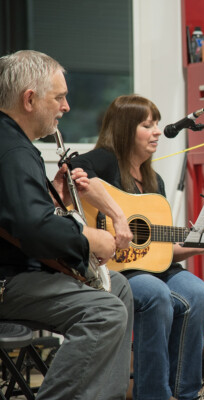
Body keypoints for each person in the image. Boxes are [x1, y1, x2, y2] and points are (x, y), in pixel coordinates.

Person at [0, 50, 134, 399]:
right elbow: (34, 231)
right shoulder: (12, 150)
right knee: (104, 313)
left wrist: (55, 197)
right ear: (29, 99)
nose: (66, 107)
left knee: (117, 287)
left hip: (18, 271)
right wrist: (89, 241)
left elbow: (18, 216)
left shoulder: (14, 144)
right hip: (6, 280)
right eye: (59, 97)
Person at [71, 94, 204, 400]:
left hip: (155, 269)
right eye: (148, 125)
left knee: (199, 292)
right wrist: (117, 216)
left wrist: (201, 245)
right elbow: (74, 168)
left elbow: (160, 250)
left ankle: (185, 392)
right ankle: (153, 394)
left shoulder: (154, 181)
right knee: (155, 294)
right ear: (124, 130)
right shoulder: (106, 161)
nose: (158, 131)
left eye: (157, 124)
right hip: (115, 270)